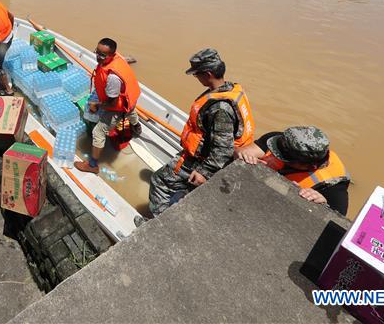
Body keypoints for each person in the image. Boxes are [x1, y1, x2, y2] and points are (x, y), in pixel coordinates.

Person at [148, 48, 255, 217]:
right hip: (207, 155)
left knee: (159, 181)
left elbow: (223, 148)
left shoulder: (220, 108)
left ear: (208, 73)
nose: (196, 78)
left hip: (201, 161)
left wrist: (204, 172)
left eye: (197, 74)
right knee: (186, 193)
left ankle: (155, 223)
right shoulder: (231, 89)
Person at [236, 126, 350, 215]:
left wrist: (322, 204)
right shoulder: (281, 141)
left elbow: (335, 222)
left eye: (285, 158)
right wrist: (241, 155)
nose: (276, 154)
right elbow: (240, 152)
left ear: (310, 166)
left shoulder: (334, 189)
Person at [74, 38, 140, 174]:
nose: (98, 57)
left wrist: (96, 106)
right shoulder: (118, 59)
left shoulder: (112, 78)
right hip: (129, 99)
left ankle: (92, 165)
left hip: (118, 105)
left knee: (98, 132)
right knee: (131, 110)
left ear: (112, 55)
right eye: (97, 52)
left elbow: (113, 102)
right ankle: (136, 126)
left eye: (102, 55)